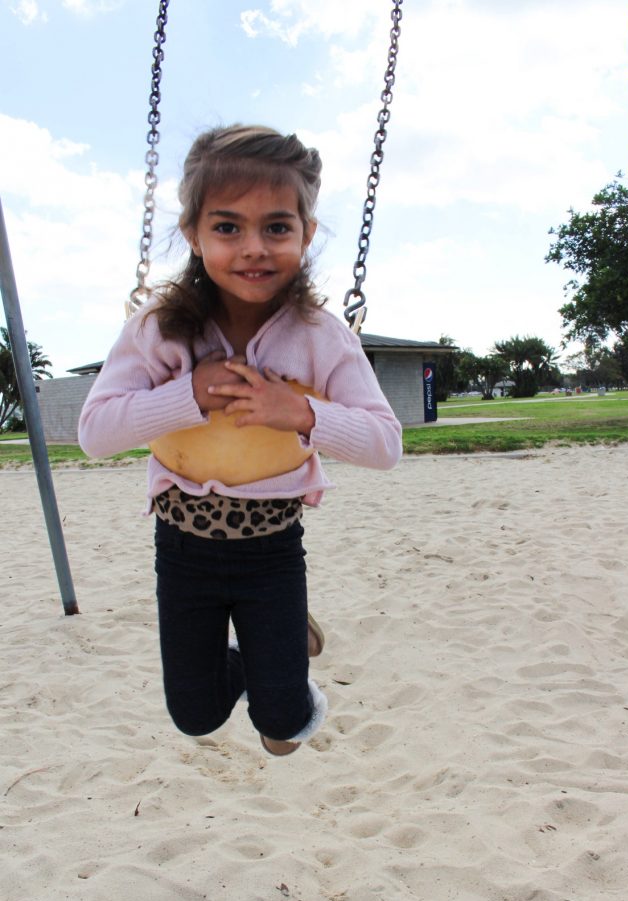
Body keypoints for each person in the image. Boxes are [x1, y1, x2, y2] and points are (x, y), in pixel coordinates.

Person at [78, 124, 402, 757]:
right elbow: (94, 434)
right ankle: (266, 648)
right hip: (183, 545)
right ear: (194, 235)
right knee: (195, 717)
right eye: (227, 227)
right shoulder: (158, 330)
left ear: (307, 235)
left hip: (271, 547)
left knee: (282, 732)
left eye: (277, 227)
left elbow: (385, 444)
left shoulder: (321, 337)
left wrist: (303, 412)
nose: (253, 247)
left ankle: (279, 650)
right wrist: (188, 395)